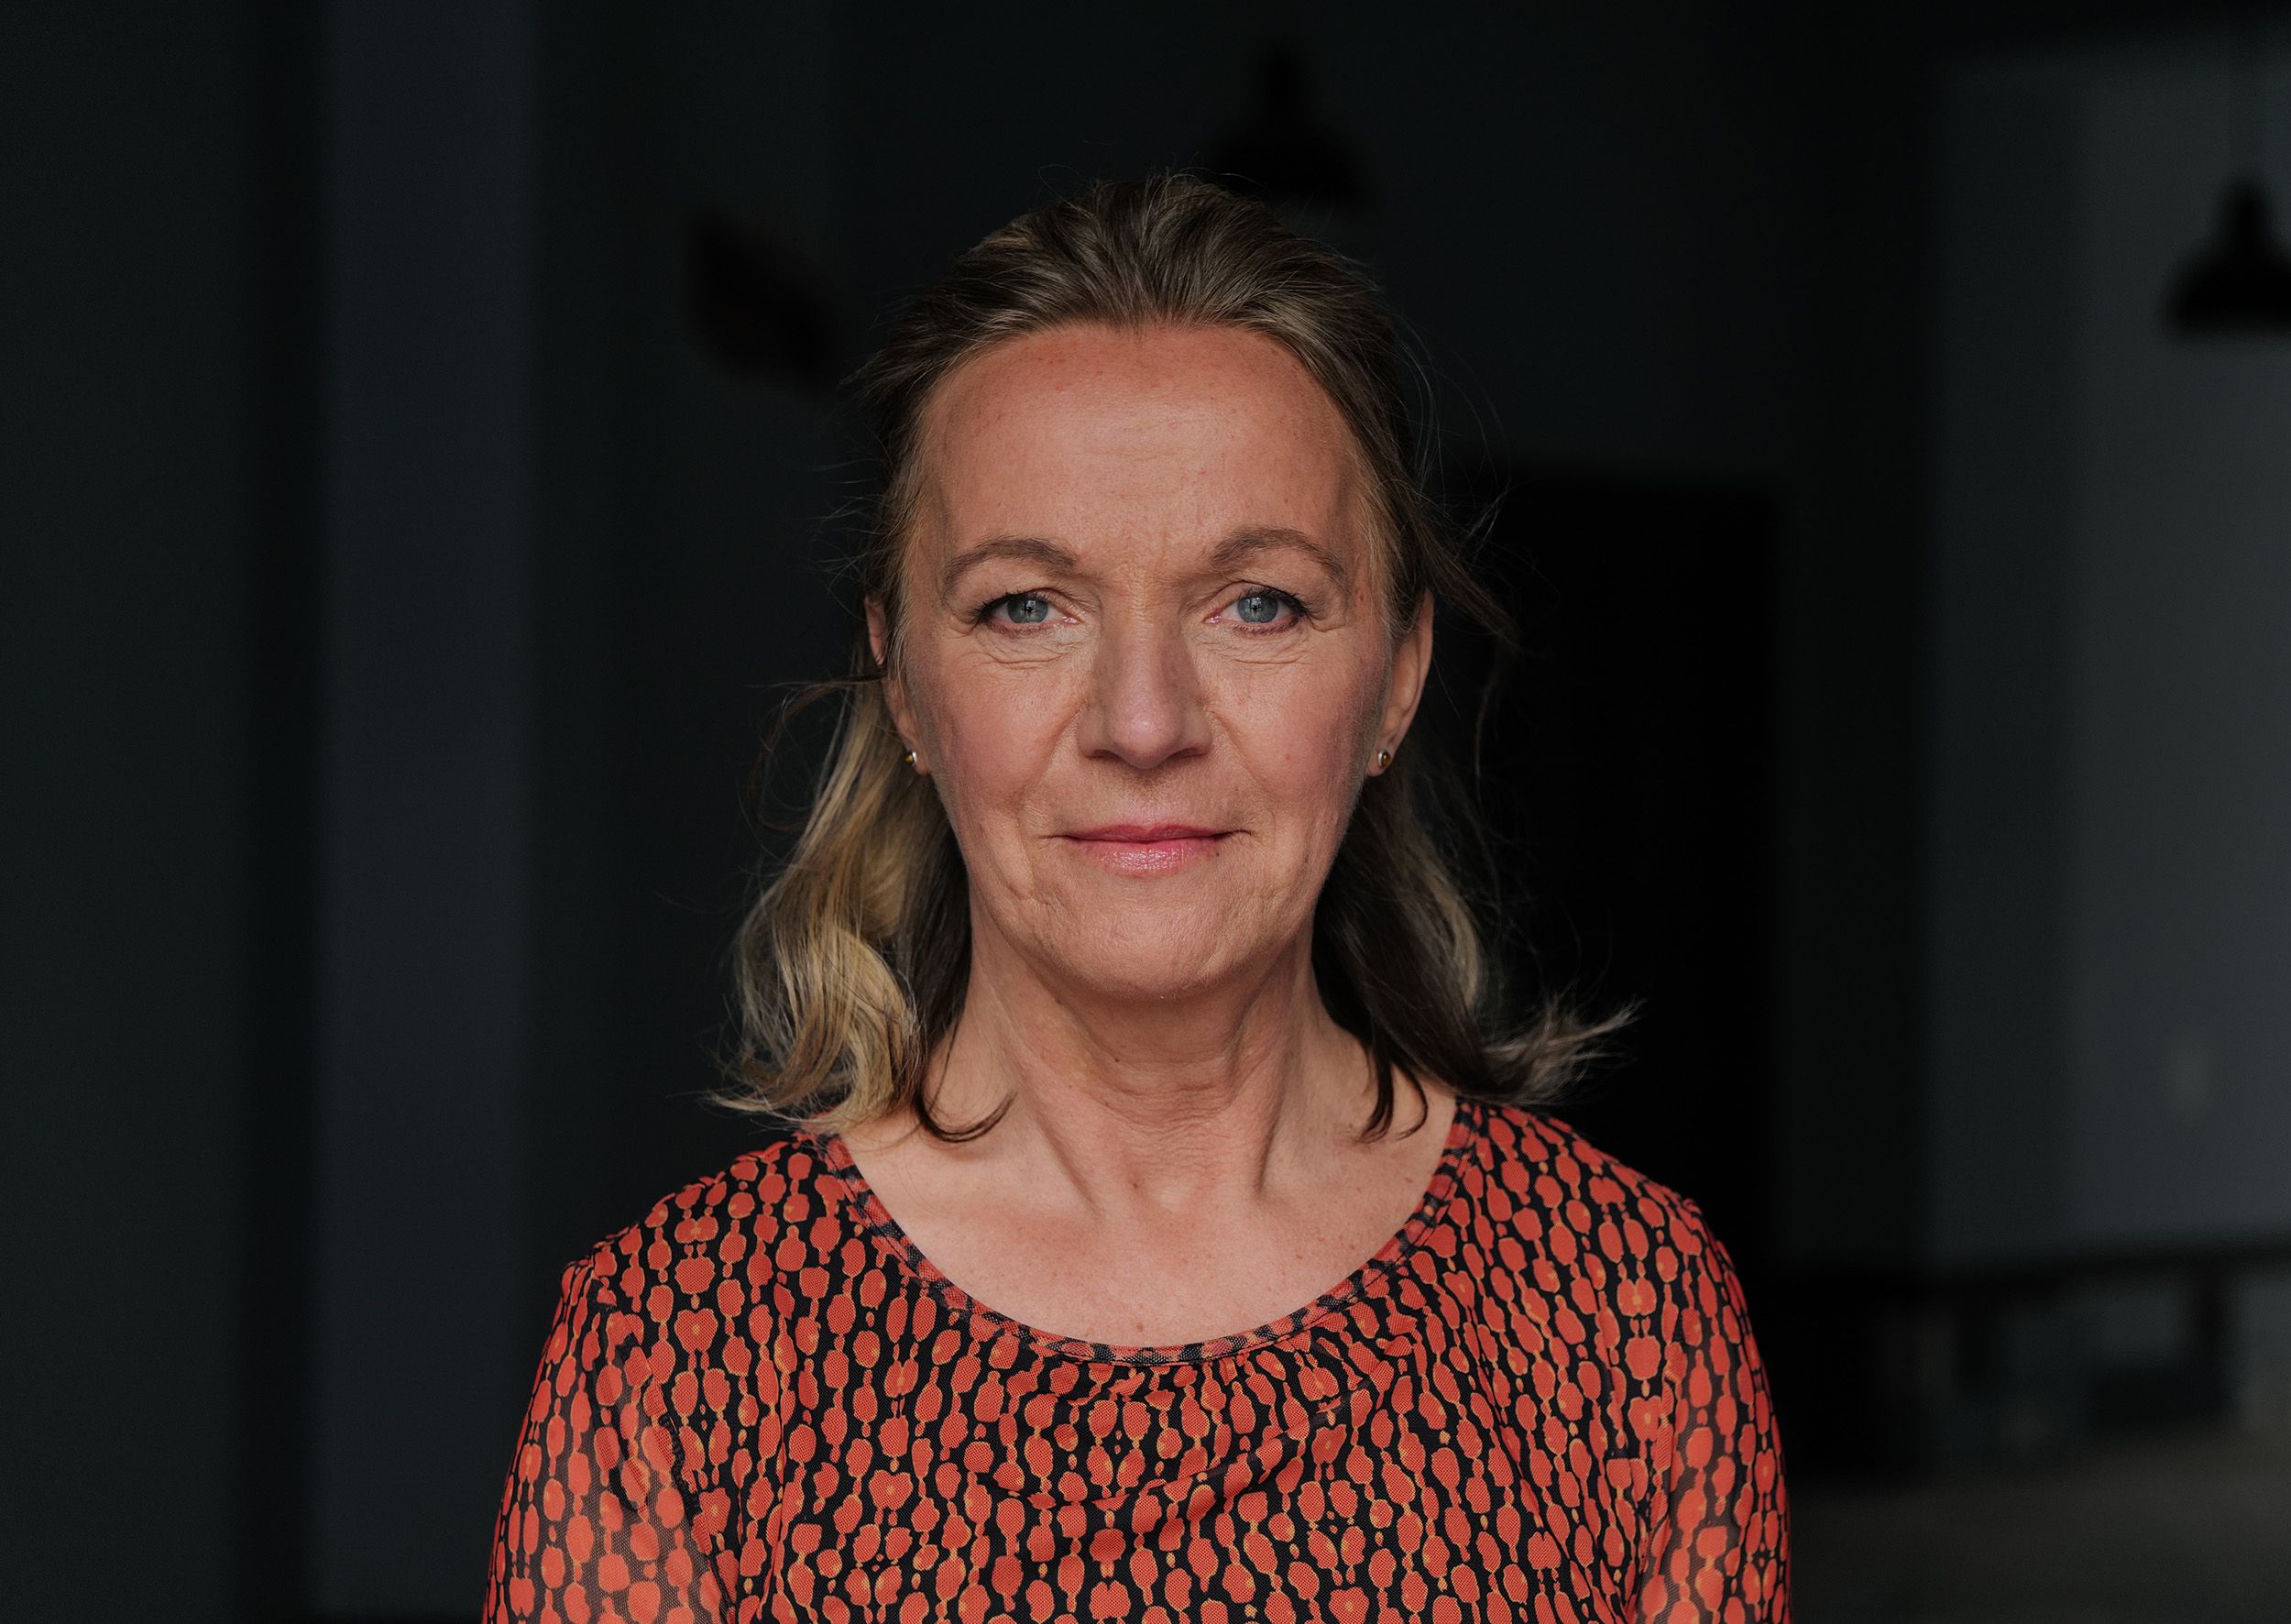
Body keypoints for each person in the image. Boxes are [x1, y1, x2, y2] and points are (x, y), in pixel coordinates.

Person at [482, 173, 1787, 1623]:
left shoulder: (1622, 1311)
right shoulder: (681, 1351)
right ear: (905, 683)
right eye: (1027, 607)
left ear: (1396, 680)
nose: (1146, 722)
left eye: (1259, 603)